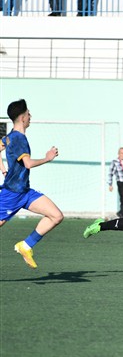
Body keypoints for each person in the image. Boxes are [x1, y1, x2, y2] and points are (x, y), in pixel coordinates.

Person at [0, 99, 64, 268]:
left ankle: (25, 246)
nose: (30, 116)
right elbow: (27, 163)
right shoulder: (19, 139)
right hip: (12, 194)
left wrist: (4, 170)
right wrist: (47, 158)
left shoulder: (9, 137)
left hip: (25, 192)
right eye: (28, 113)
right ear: (22, 118)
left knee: (56, 216)